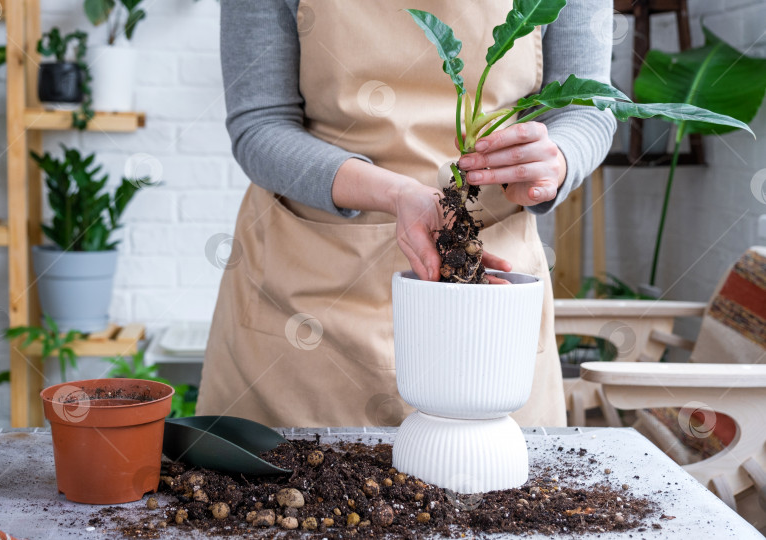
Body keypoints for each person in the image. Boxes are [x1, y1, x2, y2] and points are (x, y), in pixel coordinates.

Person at [197, 0, 616, 428]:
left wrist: (556, 160)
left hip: (486, 291)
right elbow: (261, 124)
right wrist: (396, 192)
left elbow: (586, 108)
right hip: (309, 290)